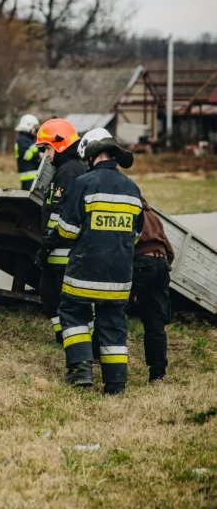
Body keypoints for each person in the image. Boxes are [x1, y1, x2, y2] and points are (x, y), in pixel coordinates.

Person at [47, 128, 144, 394]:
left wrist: (52, 237)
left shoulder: (83, 183)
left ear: (90, 155)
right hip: (119, 277)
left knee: (73, 314)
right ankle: (115, 383)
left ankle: (80, 372)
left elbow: (68, 230)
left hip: (84, 271)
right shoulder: (132, 188)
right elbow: (137, 233)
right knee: (113, 324)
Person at [36, 119, 89, 344]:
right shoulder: (71, 168)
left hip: (62, 251)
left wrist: (46, 246)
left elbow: (58, 213)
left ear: (59, 145)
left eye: (47, 148)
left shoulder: (68, 172)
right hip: (62, 250)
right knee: (52, 295)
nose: (46, 156)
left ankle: (68, 339)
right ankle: (64, 337)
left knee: (55, 296)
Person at [132, 197, 174, 382]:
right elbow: (170, 252)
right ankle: (158, 374)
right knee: (156, 323)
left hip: (140, 262)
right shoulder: (153, 216)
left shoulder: (131, 212)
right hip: (161, 264)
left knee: (113, 311)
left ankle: (98, 358)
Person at [14, 114, 41, 190]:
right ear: (28, 127)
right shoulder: (22, 140)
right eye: (34, 127)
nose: (35, 130)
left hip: (31, 175)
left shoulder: (28, 139)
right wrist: (38, 154)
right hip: (28, 176)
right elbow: (26, 155)